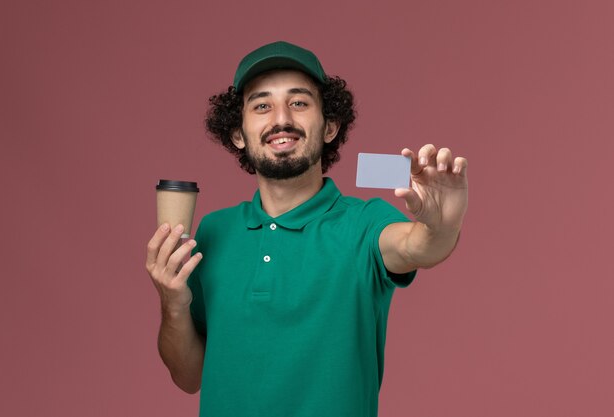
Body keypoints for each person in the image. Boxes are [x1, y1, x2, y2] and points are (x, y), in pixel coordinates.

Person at [146, 41, 468, 417]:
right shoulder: (213, 231)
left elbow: (419, 245)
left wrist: (442, 225)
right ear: (238, 133)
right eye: (262, 105)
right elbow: (188, 376)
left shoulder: (363, 223)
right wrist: (172, 303)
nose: (281, 119)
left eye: (299, 102)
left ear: (329, 126)